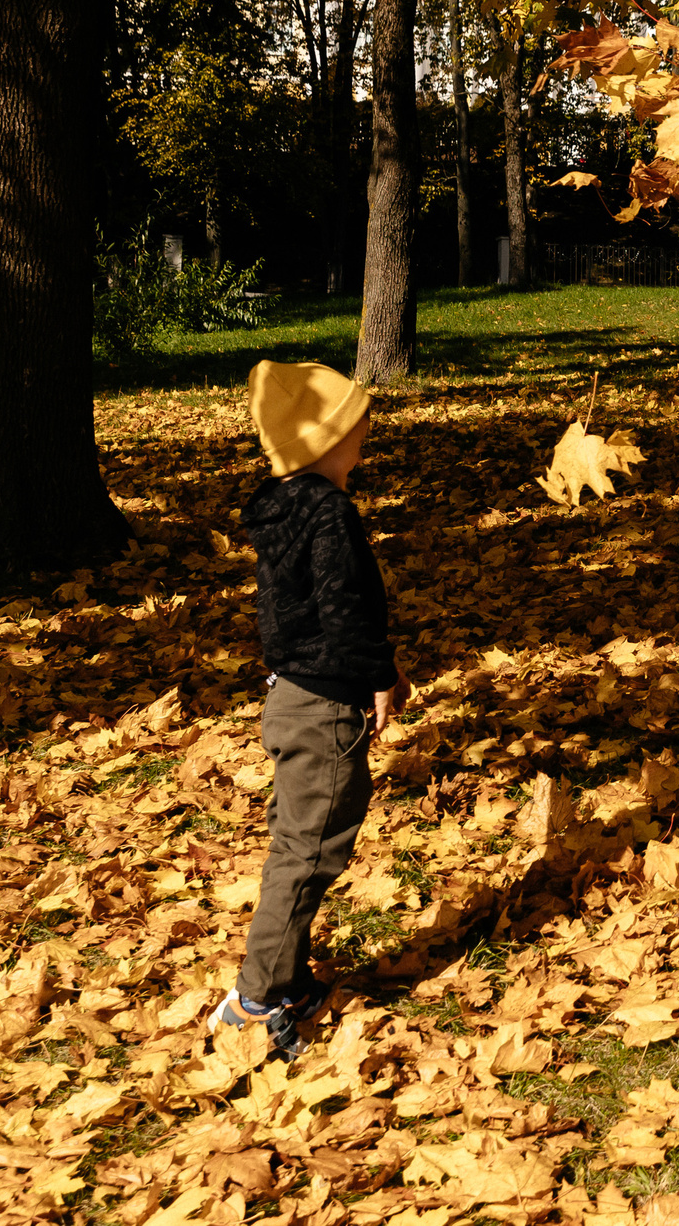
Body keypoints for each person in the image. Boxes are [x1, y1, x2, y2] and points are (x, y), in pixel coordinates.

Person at [207, 359, 410, 1058]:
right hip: (324, 707)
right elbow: (342, 605)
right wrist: (378, 674)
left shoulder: (282, 511)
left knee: (295, 842)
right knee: (310, 847)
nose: (365, 439)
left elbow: (291, 617)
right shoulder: (328, 512)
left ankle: (285, 978)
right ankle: (259, 997)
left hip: (289, 696)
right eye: (356, 429)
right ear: (321, 440)